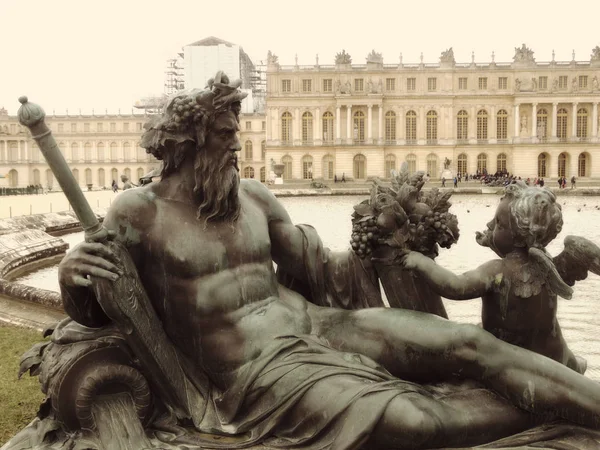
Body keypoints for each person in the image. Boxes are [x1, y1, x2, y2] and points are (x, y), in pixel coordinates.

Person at [58, 73, 600, 450]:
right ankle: (557, 404)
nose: (238, 145)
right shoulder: (139, 212)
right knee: (413, 420)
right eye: (225, 135)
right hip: (256, 370)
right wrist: (72, 274)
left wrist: (386, 240)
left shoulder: (254, 197)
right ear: (189, 141)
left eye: (237, 133)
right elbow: (103, 302)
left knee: (467, 344)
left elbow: (326, 270)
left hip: (321, 325)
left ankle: (584, 400)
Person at [402, 183, 599, 374]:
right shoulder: (547, 264)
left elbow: (455, 287)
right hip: (552, 353)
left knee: (470, 338)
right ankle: (573, 364)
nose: (489, 225)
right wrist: (492, 241)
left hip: (516, 361)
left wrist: (421, 262)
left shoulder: (498, 271)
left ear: (519, 236)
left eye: (498, 224)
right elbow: (517, 251)